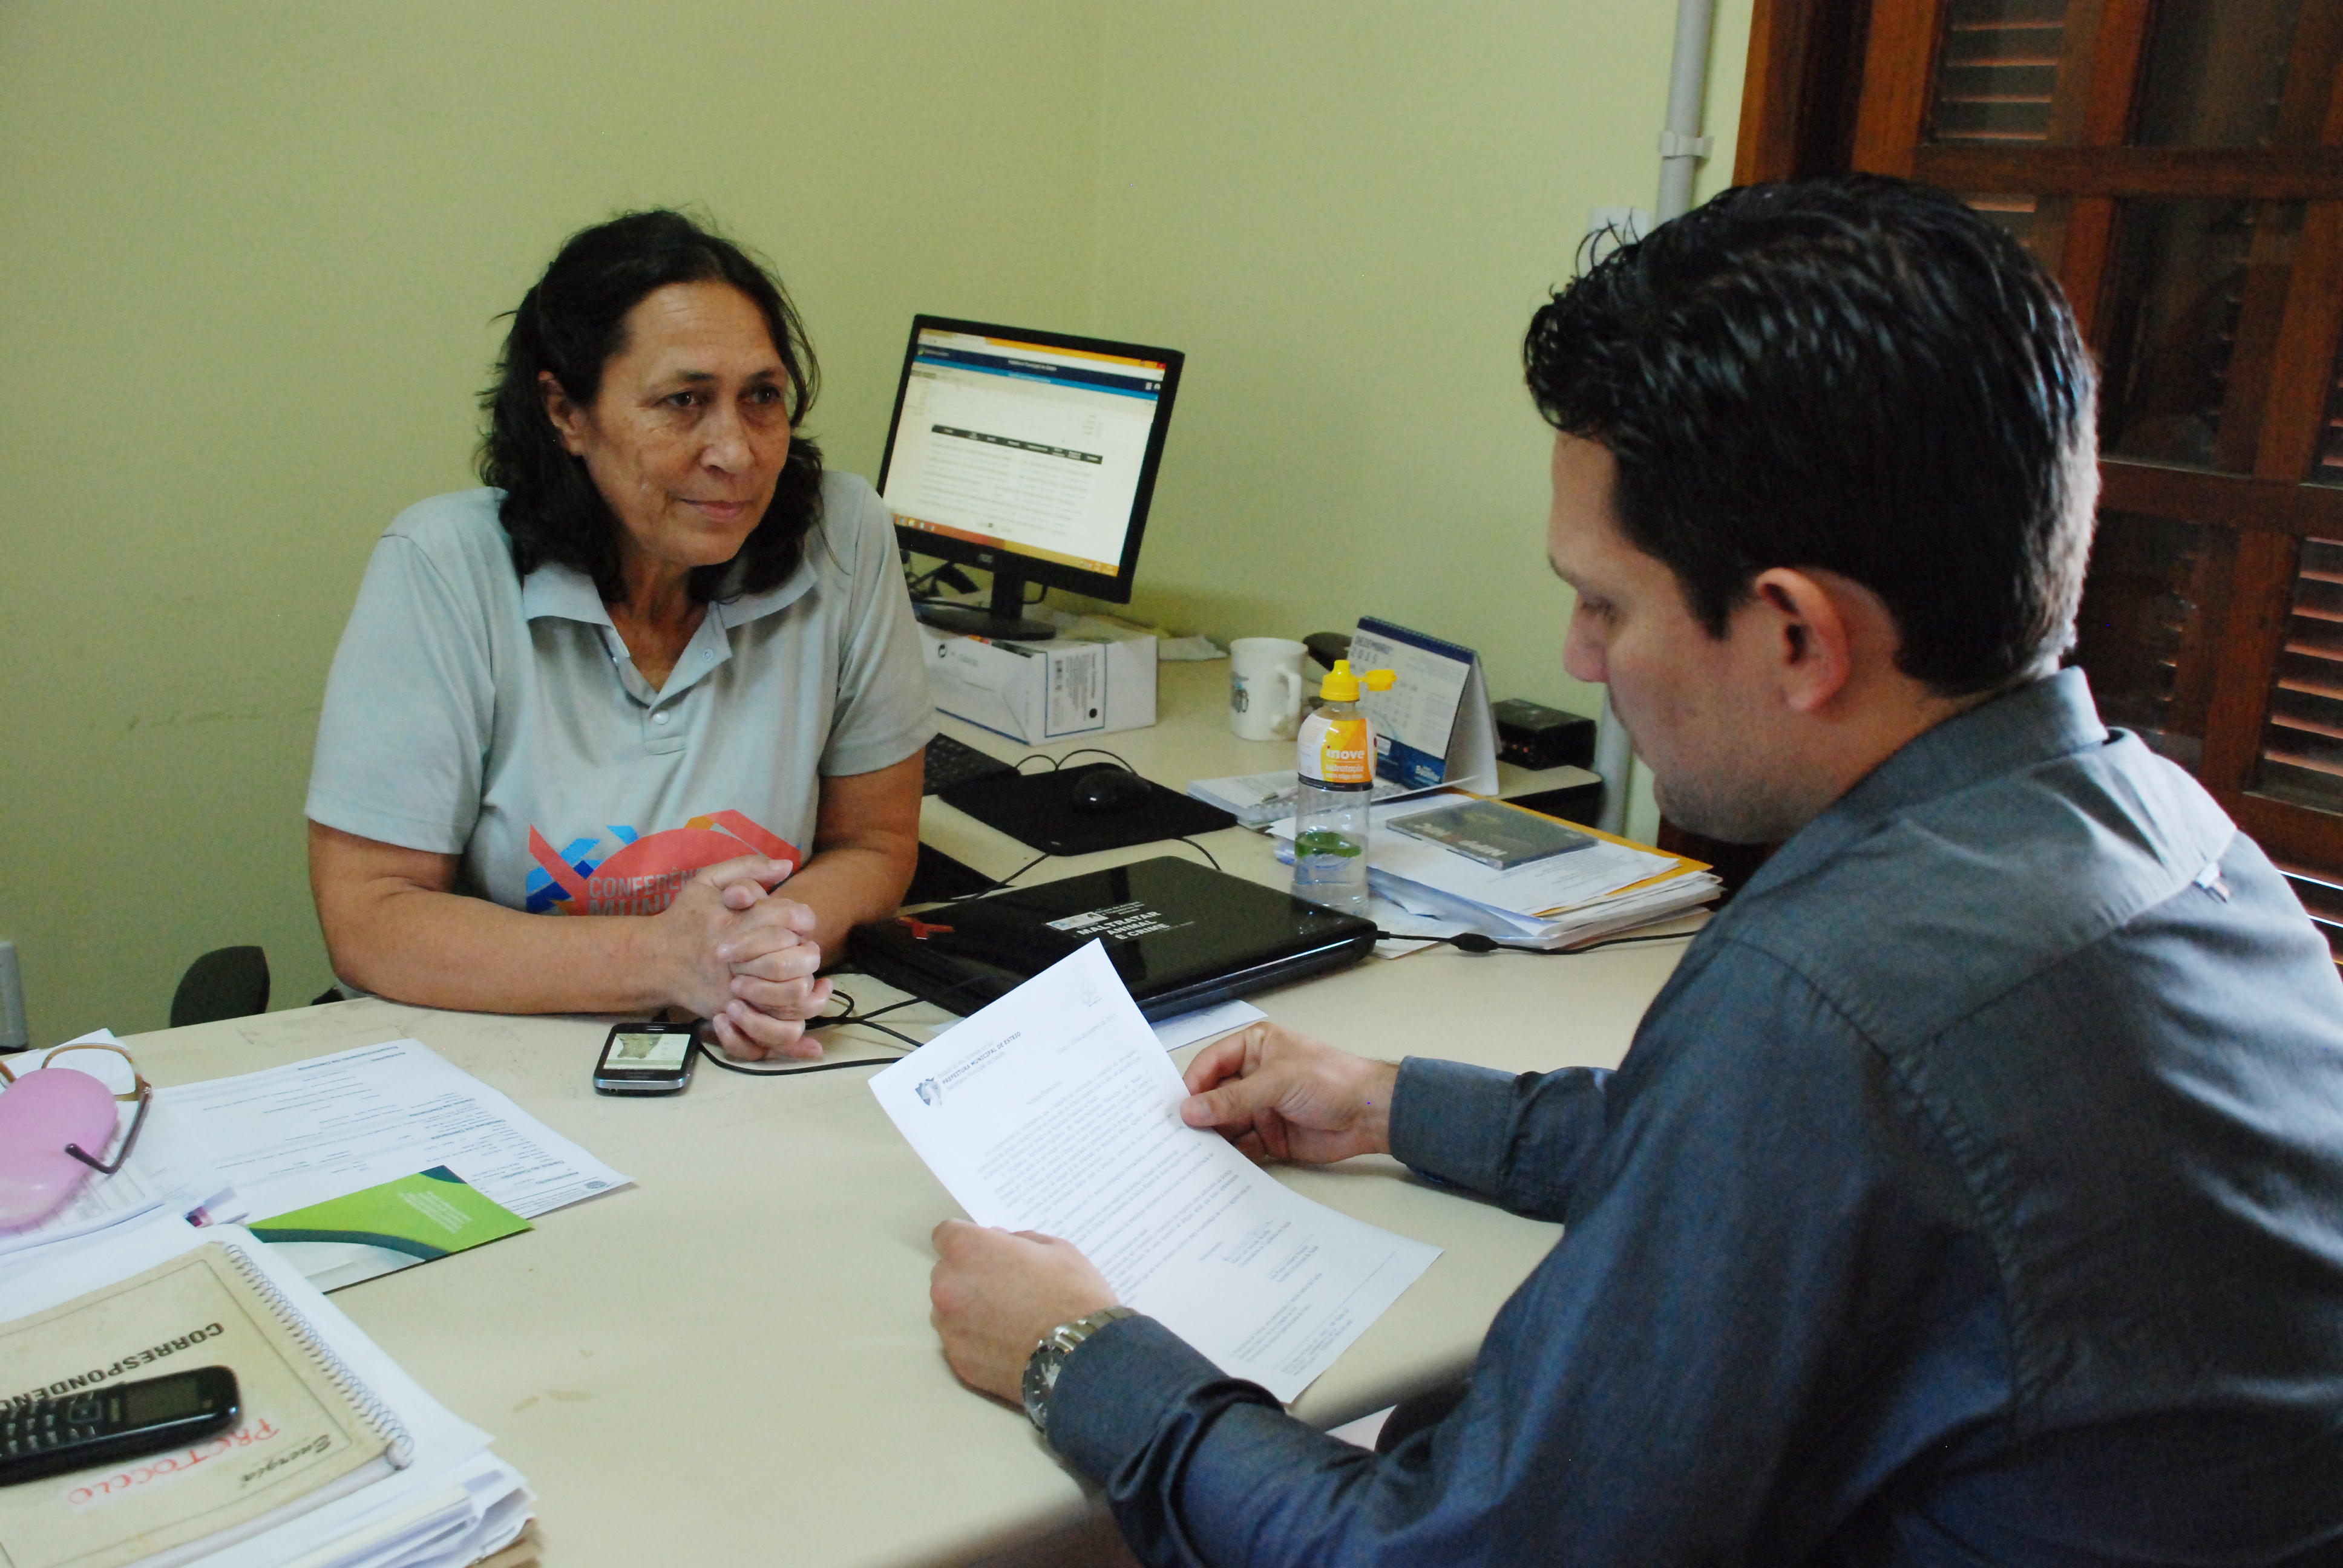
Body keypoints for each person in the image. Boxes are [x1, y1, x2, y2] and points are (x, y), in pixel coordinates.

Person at [926, 176, 2343, 1563]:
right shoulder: (2178, 833)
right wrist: (1392, 1105)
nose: (1578, 661)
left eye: (1602, 603)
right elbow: (1809, 1169)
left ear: (1795, 632)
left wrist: (1075, 1357)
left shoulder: (1823, 999)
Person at [307, 211, 934, 1060]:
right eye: (684, 402)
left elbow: (876, 841)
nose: (737, 453)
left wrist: (761, 957)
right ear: (566, 411)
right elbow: (372, 919)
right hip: (500, 1053)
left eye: (761, 398)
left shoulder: (845, 537)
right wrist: (668, 960)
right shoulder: (444, 567)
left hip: (754, 1038)